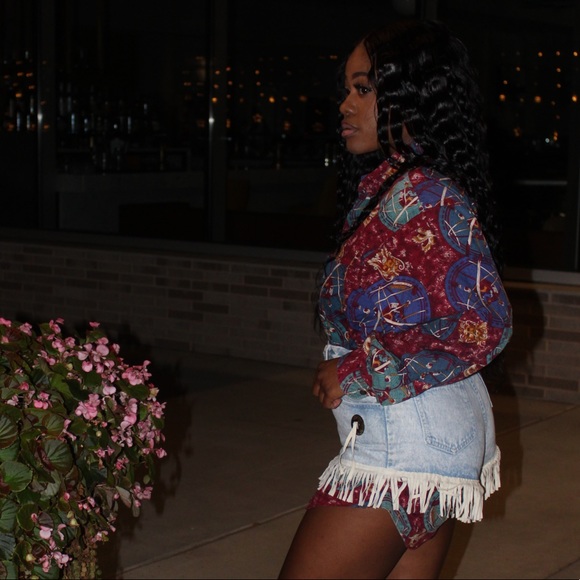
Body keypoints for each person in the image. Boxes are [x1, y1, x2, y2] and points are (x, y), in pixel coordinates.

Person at [279, 18, 513, 580]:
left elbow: (486, 320)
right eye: (347, 88)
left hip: (405, 443)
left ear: (412, 96)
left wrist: (358, 369)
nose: (345, 104)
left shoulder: (428, 196)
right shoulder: (392, 188)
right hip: (422, 438)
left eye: (364, 88)